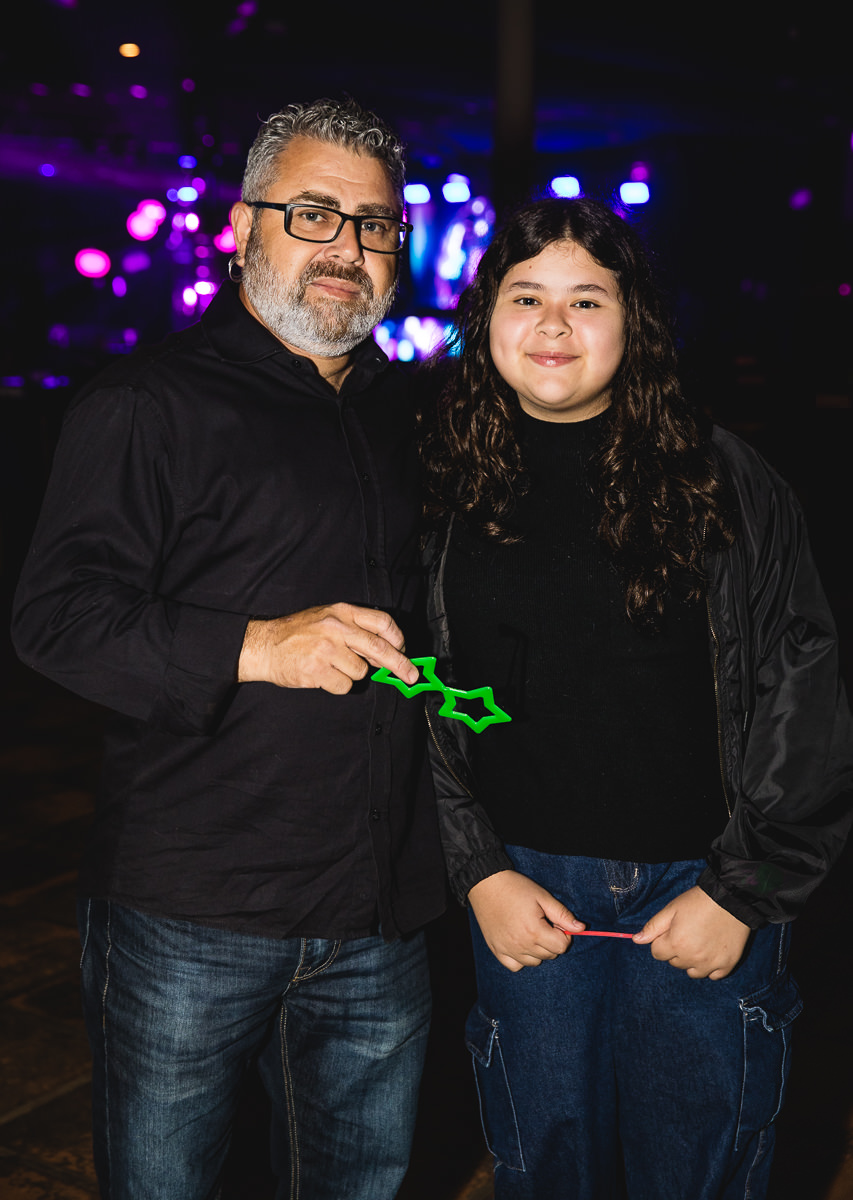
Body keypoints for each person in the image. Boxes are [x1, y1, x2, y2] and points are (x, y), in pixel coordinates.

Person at [12, 97, 447, 1200]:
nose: (347, 247)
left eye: (374, 224)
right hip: (191, 911)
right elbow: (56, 616)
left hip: (377, 913)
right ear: (243, 227)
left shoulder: (412, 413)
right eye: (313, 214)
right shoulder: (147, 402)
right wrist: (256, 644)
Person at [418, 196, 852, 1199]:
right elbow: (411, 694)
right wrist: (477, 871)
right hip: (523, 892)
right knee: (547, 1167)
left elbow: (804, 691)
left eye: (586, 299)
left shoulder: (724, 476)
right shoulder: (436, 481)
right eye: (525, 296)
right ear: (486, 316)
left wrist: (743, 891)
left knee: (696, 1172)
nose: (553, 324)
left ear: (634, 322)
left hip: (702, 888)